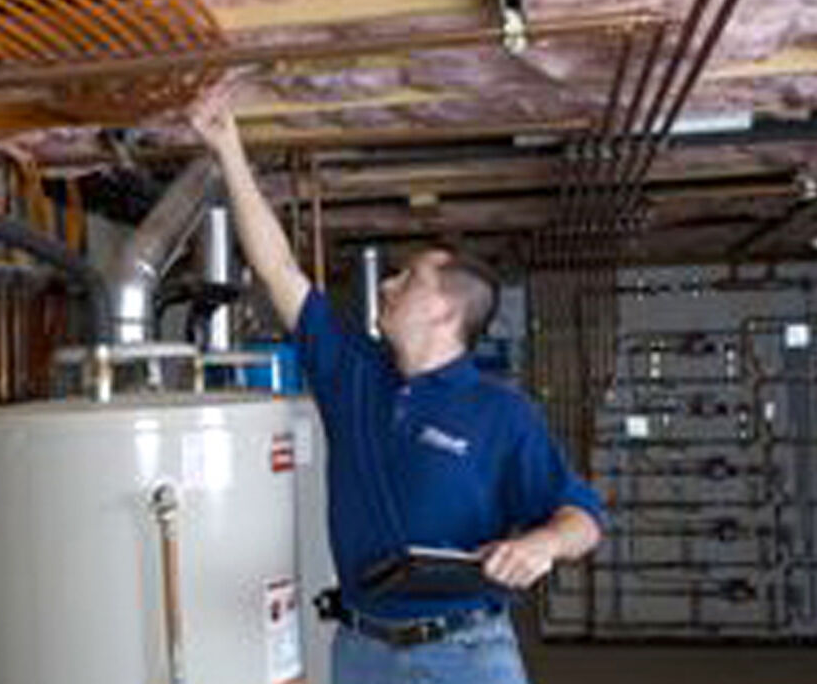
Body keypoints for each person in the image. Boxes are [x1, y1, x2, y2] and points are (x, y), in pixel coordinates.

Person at [190, 102, 605, 684]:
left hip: (466, 654)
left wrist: (543, 544)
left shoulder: (500, 412)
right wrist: (229, 148)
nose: (386, 283)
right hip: (361, 651)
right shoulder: (354, 372)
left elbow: (584, 517)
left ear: (444, 309)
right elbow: (279, 269)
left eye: (406, 278)